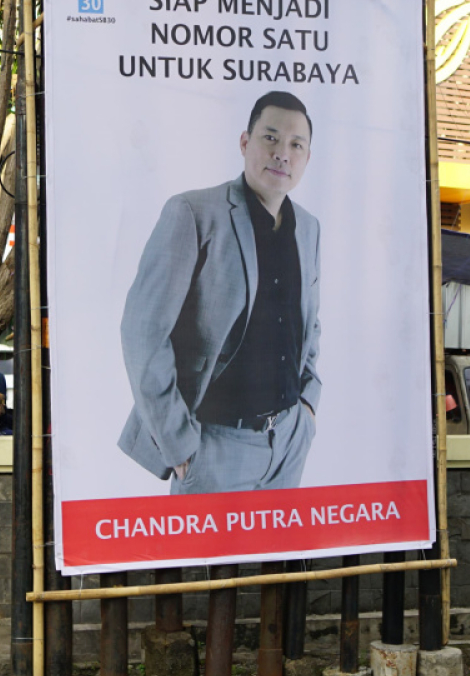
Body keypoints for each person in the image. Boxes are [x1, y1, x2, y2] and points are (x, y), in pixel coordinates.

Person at [118, 91, 321, 494]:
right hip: (213, 445)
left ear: (307, 158)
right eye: (270, 138)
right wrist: (178, 444)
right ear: (245, 142)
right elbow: (143, 332)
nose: (282, 154)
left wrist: (308, 408)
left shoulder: (309, 228)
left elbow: (309, 324)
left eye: (296, 145)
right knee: (201, 544)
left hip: (289, 442)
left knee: (279, 541)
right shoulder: (193, 213)